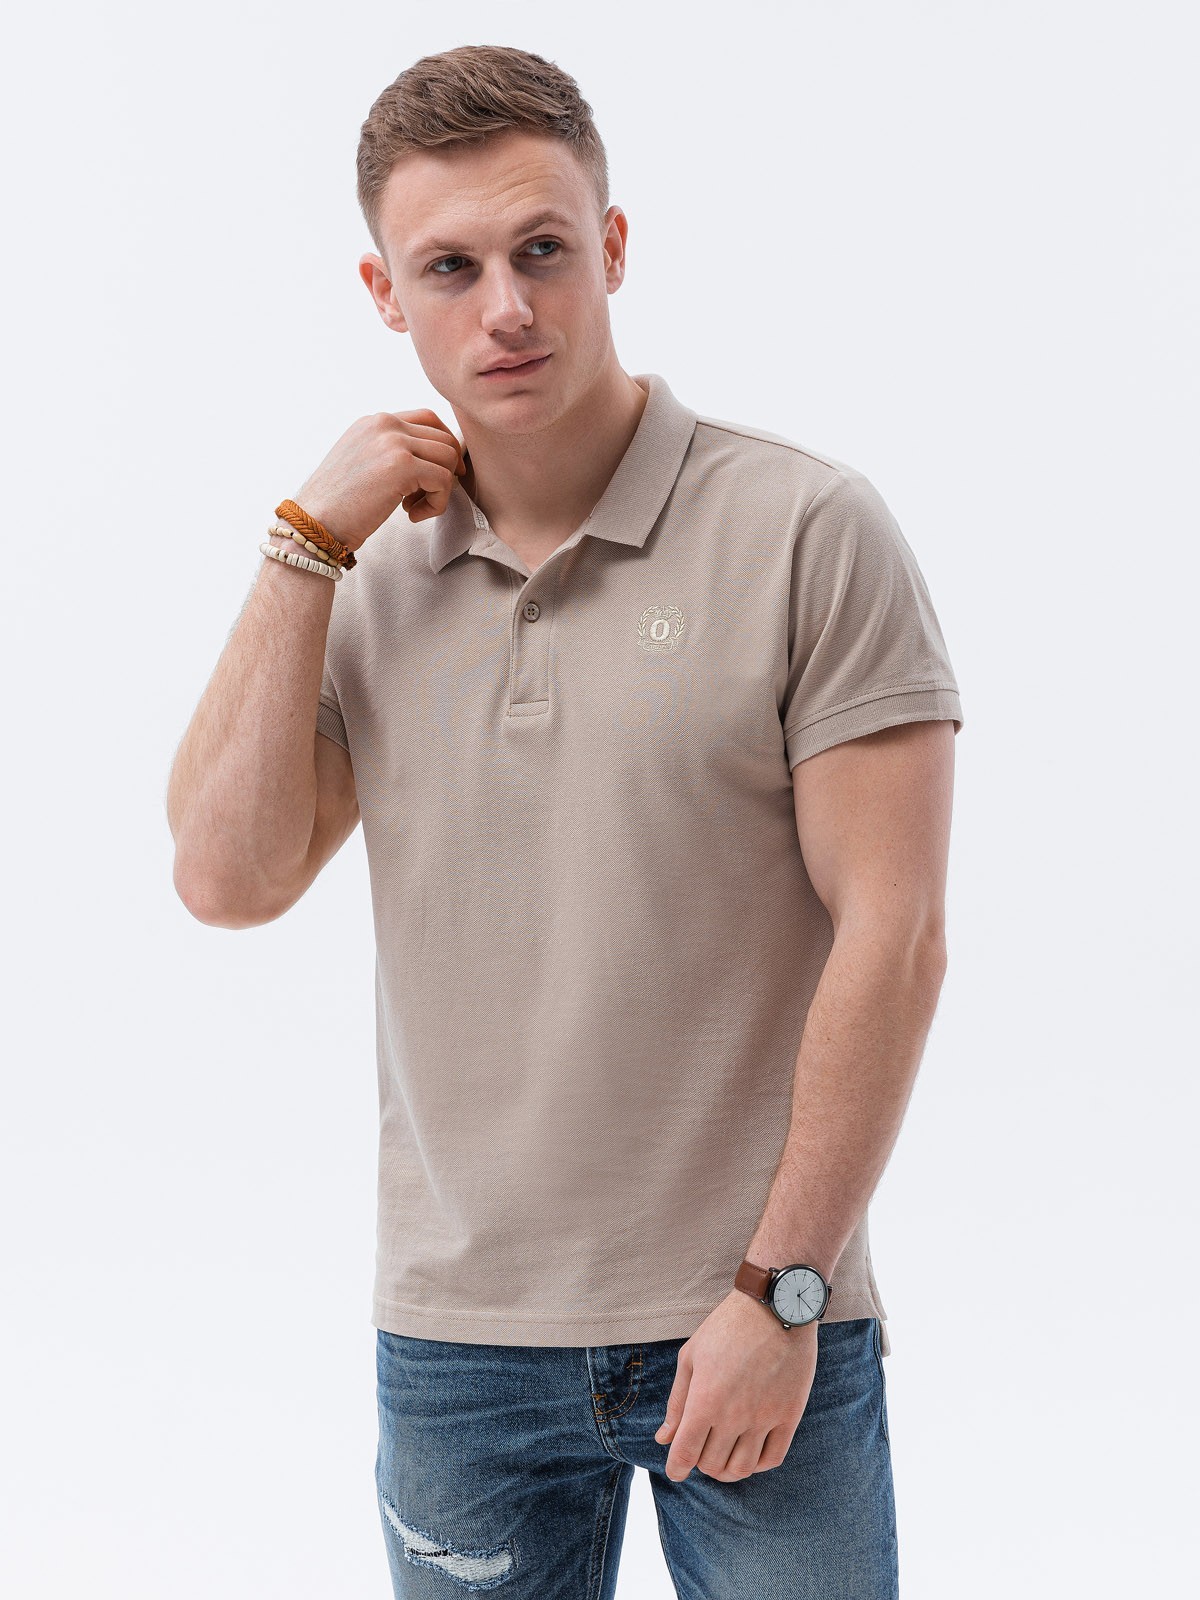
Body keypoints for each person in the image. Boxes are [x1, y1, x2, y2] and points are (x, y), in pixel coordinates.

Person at [167, 42, 963, 1600]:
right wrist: (299, 544)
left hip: (754, 1314)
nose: (507, 309)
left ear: (612, 246)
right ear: (384, 294)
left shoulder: (805, 528)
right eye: (449, 269)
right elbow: (226, 877)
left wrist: (783, 1293)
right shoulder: (360, 578)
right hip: (460, 1345)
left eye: (541, 250)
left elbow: (900, 933)